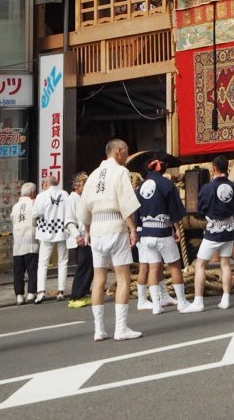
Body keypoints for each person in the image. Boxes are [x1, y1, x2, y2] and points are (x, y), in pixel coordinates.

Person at [80, 139, 142, 342]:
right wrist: (133, 229)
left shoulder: (94, 174)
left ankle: (99, 329)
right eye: (126, 152)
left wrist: (87, 230)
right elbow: (126, 204)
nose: (126, 156)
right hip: (115, 226)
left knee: (99, 279)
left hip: (96, 228)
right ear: (118, 151)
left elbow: (84, 208)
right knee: (123, 277)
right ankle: (121, 328)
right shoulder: (120, 172)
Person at [182, 157, 234, 312]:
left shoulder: (207, 188)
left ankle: (198, 301)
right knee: (225, 263)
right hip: (229, 228)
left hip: (214, 230)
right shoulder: (233, 186)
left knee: (200, 264)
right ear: (227, 167)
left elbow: (200, 209)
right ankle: (226, 298)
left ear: (214, 168)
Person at [133, 158, 187, 315]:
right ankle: (182, 302)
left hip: (146, 233)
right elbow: (174, 211)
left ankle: (156, 305)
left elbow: (136, 212)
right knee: (175, 266)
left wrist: (137, 231)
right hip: (162, 231)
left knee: (153, 268)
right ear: (161, 170)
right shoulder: (166, 184)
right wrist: (177, 229)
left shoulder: (141, 187)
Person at [34, 174, 72, 301]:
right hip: (62, 231)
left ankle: (41, 292)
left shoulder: (41, 196)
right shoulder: (65, 194)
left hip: (46, 232)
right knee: (63, 262)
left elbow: (36, 213)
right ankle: (61, 291)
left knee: (43, 263)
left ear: (46, 183)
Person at [66, 172, 94, 308]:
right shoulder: (73, 199)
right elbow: (69, 221)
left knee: (90, 266)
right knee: (83, 266)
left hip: (88, 236)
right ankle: (75, 296)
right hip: (81, 237)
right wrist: (77, 236)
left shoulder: (83, 198)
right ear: (77, 186)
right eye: (84, 184)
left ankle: (83, 293)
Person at [10, 183, 38, 305]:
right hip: (31, 242)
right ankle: (31, 293)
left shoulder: (15, 207)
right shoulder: (33, 204)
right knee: (32, 269)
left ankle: (19, 296)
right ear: (32, 193)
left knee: (18, 271)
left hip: (17, 243)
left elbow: (12, 220)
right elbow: (36, 220)